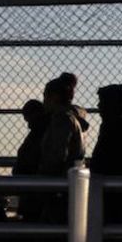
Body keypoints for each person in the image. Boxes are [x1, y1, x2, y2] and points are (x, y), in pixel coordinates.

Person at [38, 73, 90, 222]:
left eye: (45, 96)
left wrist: (44, 176)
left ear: (53, 97)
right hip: (69, 185)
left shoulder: (61, 119)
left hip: (58, 186)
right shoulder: (74, 119)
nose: (44, 101)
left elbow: (56, 155)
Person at [12, 99, 46, 221]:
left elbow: (29, 158)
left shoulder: (38, 133)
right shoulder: (42, 130)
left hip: (32, 187)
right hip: (34, 185)